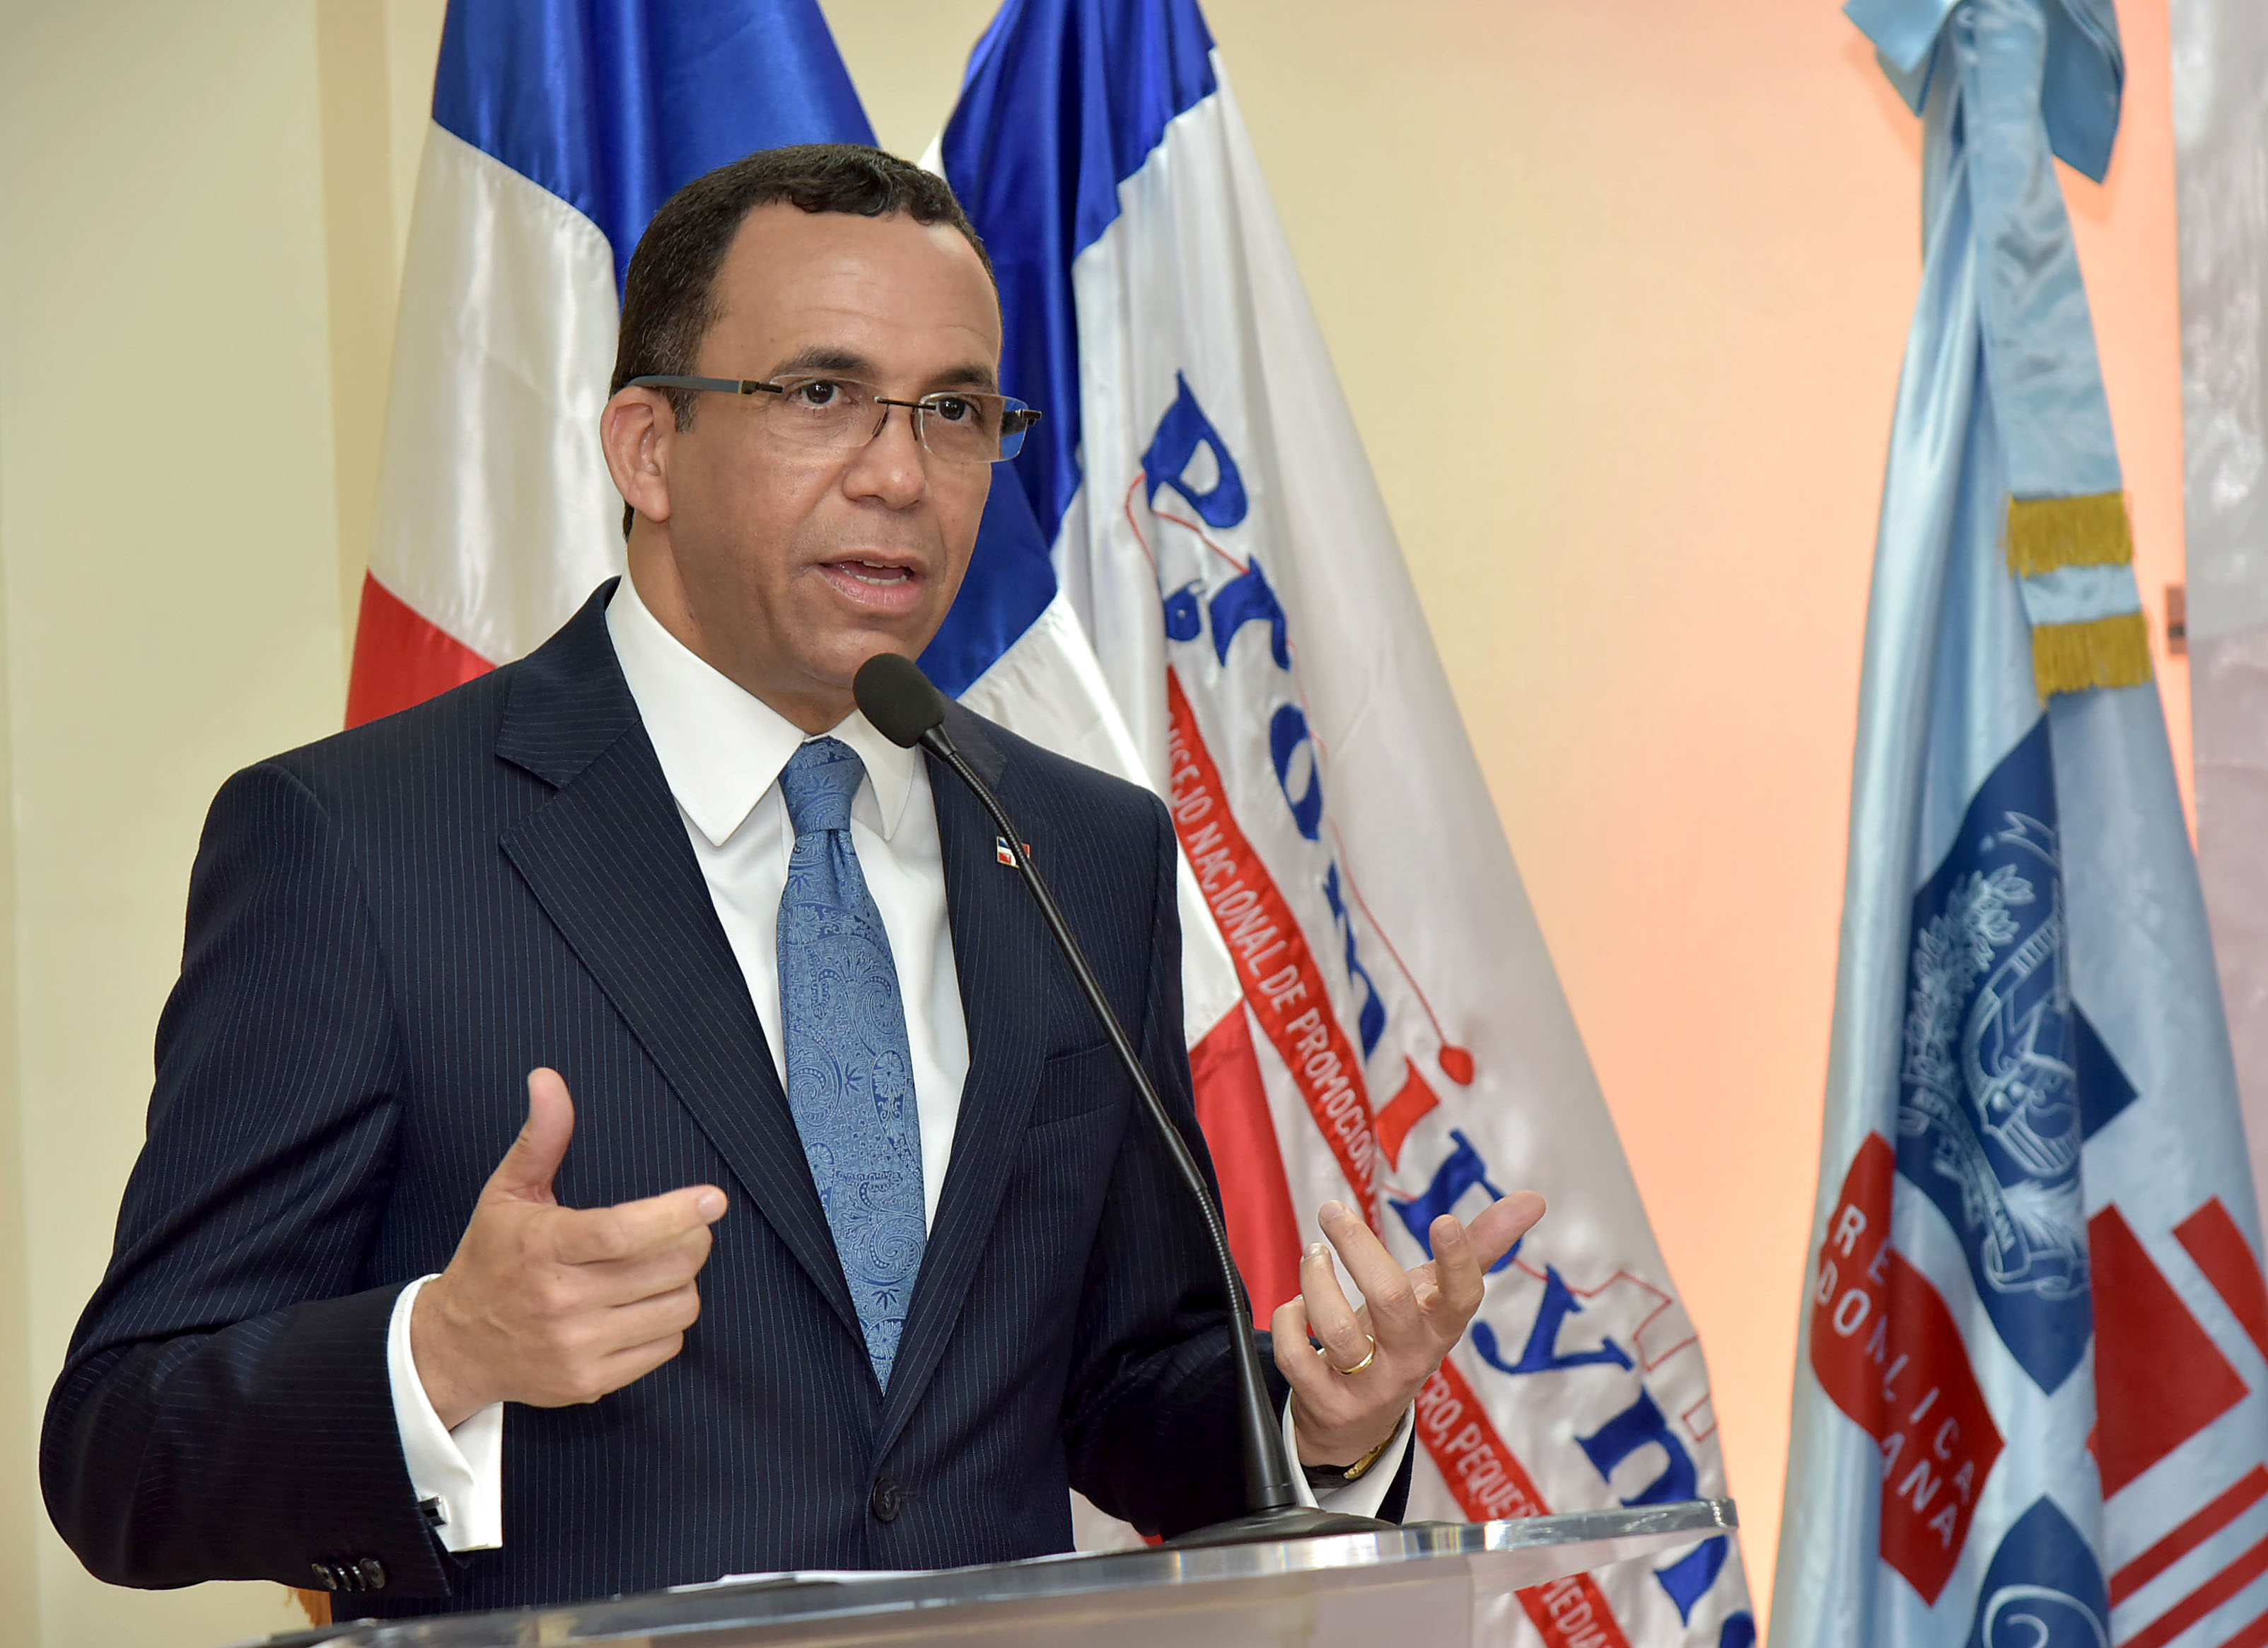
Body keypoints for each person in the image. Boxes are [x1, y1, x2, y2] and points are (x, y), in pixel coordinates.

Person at [40, 145, 1541, 1618]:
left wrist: (1315, 1422)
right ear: (648, 448)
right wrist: (442, 1352)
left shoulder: (1085, 849)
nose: (900, 474)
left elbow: (1116, 1384)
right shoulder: (360, 842)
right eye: (822, 394)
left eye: (955, 411)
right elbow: (120, 1451)